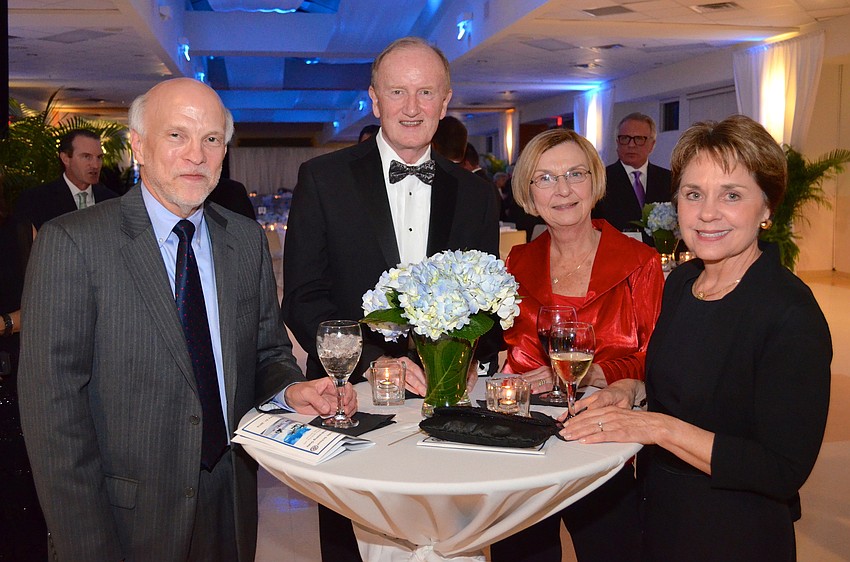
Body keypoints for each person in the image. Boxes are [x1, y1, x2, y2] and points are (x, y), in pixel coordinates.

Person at [18, 78, 356, 562]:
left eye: (212, 139)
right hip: (126, 517)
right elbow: (54, 419)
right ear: (138, 143)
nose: (196, 154)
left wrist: (289, 389)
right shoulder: (72, 244)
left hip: (230, 502)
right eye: (177, 135)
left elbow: (267, 352)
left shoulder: (244, 240)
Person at [562, 115, 832, 562]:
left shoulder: (789, 314)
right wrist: (633, 390)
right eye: (693, 194)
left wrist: (657, 428)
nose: (707, 213)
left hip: (733, 532)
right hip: (658, 514)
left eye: (731, 195)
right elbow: (695, 388)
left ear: (767, 208)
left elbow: (781, 469)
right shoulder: (683, 283)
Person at [282, 36, 499, 562]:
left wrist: (461, 362)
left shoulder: (475, 192)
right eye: (397, 92)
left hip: (443, 400)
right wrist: (380, 363)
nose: (411, 107)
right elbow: (304, 296)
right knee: (348, 543)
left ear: (445, 103)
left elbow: (487, 302)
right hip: (348, 396)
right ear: (375, 100)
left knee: (446, 542)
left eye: (426, 93)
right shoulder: (322, 178)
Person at [490, 128, 664, 562]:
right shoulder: (517, 262)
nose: (563, 190)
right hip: (526, 441)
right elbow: (511, 352)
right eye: (545, 178)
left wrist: (586, 372)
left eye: (575, 174)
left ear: (595, 181)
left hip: (603, 441)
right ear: (528, 192)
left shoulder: (638, 262)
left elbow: (657, 359)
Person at [0, 179, 46, 561]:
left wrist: (3, 324)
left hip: (11, 378)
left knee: (19, 500)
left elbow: (46, 307)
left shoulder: (21, 233)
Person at [13, 129, 119, 231]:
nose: (95, 165)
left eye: (99, 157)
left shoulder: (112, 201)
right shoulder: (35, 200)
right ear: (65, 159)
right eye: (87, 157)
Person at [593, 112, 672, 245]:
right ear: (617, 142)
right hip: (616, 255)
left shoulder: (668, 179)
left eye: (639, 139)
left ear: (652, 144)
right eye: (625, 138)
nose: (631, 145)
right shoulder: (600, 179)